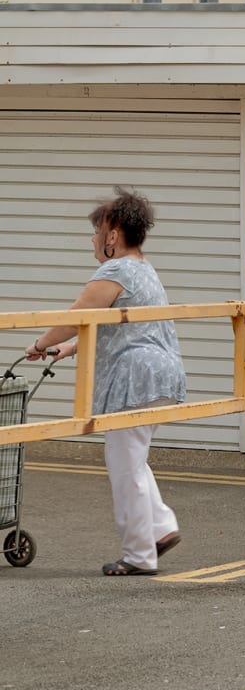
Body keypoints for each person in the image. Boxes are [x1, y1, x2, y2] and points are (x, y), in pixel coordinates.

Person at [25, 189, 186, 575]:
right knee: (133, 459)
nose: (94, 240)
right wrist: (69, 348)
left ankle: (138, 555)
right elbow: (119, 326)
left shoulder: (116, 271)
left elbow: (77, 313)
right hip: (159, 375)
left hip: (134, 379)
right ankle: (161, 528)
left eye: (97, 231)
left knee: (125, 467)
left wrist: (41, 342)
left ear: (112, 234)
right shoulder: (144, 269)